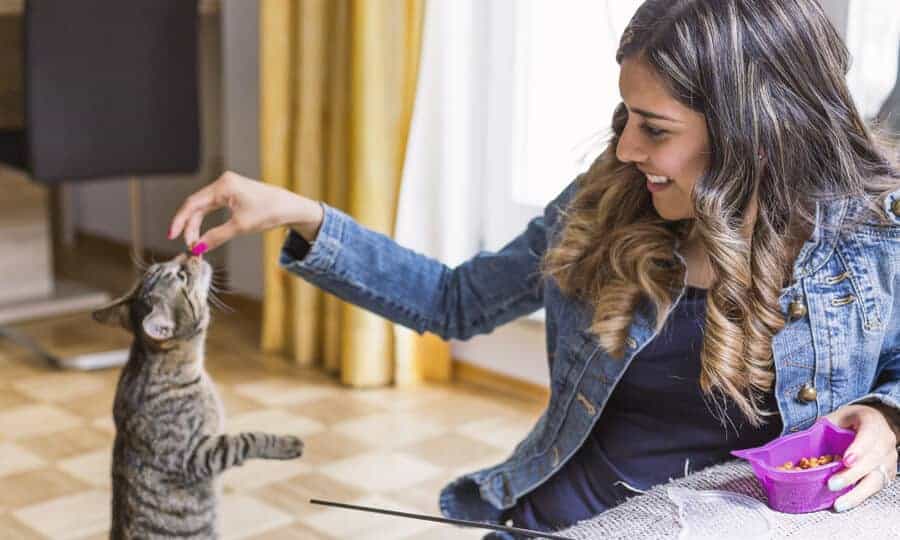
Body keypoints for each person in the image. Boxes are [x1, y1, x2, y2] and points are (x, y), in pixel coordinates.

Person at [170, 0, 900, 536]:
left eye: (656, 129)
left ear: (754, 131)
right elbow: (454, 301)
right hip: (568, 520)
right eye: (626, 119)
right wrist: (304, 214)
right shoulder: (604, 201)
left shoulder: (872, 233)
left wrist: (885, 416)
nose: (625, 151)